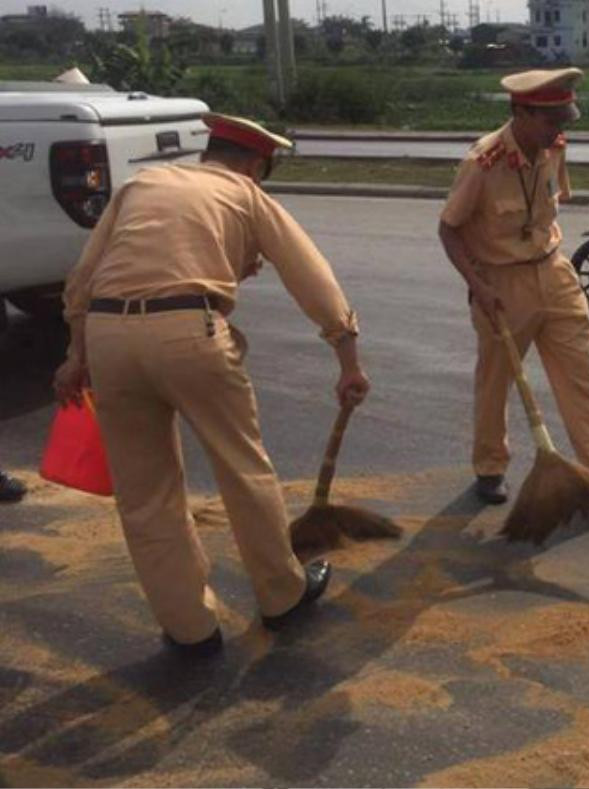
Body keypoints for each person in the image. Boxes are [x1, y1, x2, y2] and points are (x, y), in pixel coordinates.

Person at [52, 113, 369, 656]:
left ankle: (188, 629)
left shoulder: (142, 183)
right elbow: (309, 273)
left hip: (108, 335)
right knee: (242, 468)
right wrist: (348, 356)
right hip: (187, 331)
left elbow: (84, 276)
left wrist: (75, 355)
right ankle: (282, 596)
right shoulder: (245, 194)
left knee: (145, 493)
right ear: (253, 164)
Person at [438, 68, 589, 508]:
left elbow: (549, 209)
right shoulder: (480, 163)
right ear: (520, 112)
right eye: (550, 120)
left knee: (581, 380)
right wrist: (477, 284)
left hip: (556, 273)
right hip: (502, 285)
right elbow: (449, 230)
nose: (559, 130)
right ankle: (490, 467)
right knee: (496, 382)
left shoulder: (553, 148)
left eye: (563, 120)